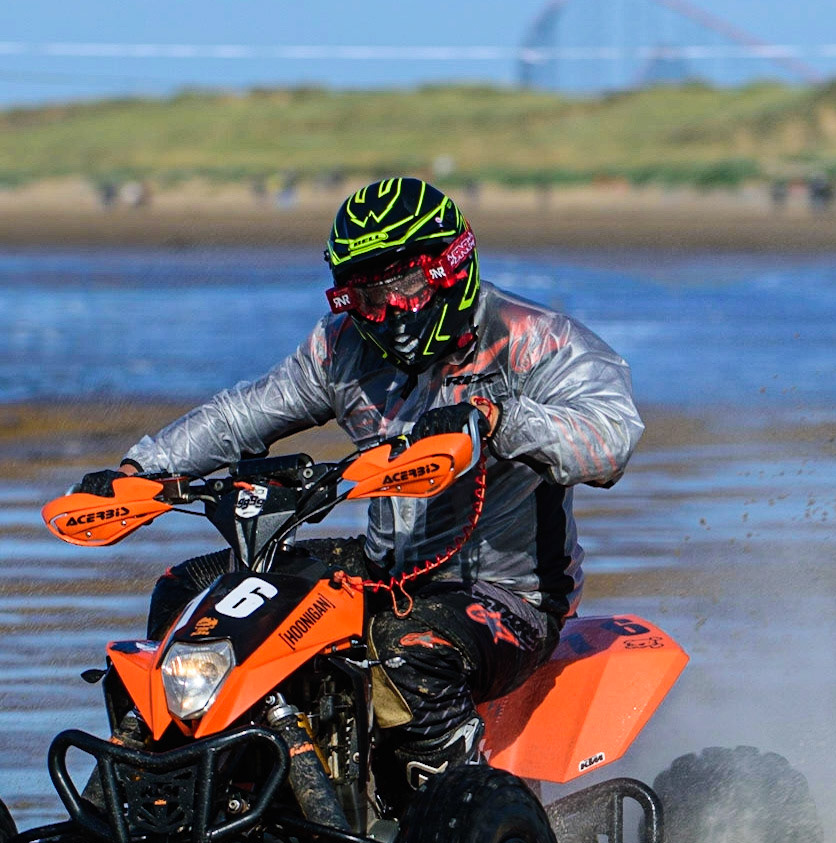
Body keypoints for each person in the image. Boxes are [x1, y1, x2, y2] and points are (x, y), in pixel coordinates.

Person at [71, 177, 642, 793]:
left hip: (511, 595)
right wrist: (141, 470)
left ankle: (465, 809)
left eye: (404, 285)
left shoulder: (538, 341)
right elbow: (242, 416)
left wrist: (499, 418)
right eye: (367, 294)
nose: (388, 310)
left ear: (450, 267)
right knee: (190, 592)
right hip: (383, 567)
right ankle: (186, 790)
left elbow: (611, 439)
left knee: (408, 645)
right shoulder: (340, 347)